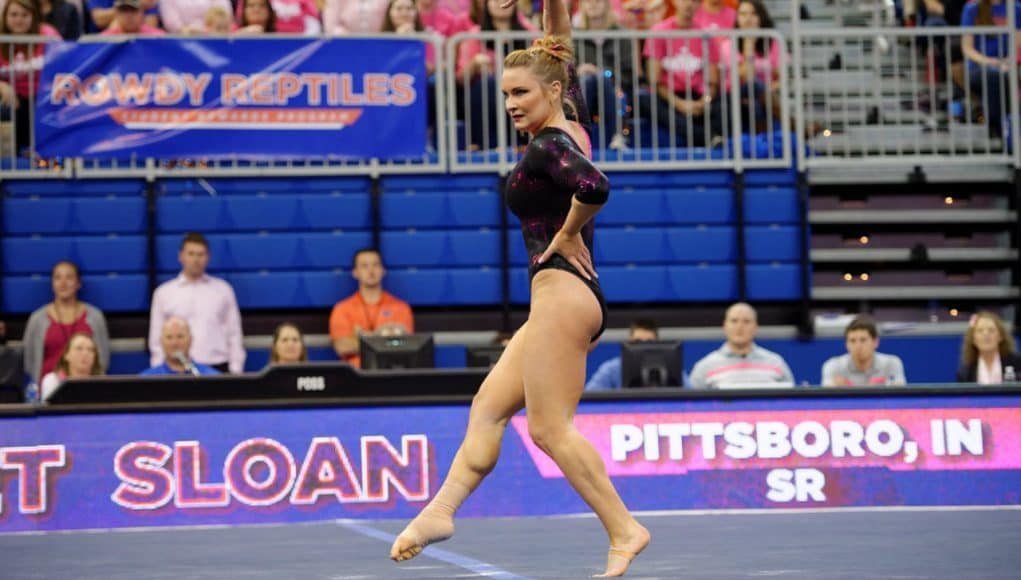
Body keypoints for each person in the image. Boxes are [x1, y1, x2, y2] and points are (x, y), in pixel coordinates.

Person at [389, 0, 650, 575]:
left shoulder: (548, 146)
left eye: (520, 94)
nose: (510, 104)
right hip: (559, 299)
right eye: (506, 94)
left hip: (562, 294)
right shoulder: (568, 122)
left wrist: (567, 232)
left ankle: (624, 528)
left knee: (549, 428)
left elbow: (596, 185)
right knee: (488, 407)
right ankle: (441, 510)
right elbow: (557, 38)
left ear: (550, 94)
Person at [149, 232, 246, 374]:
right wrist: (159, 372)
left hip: (217, 365)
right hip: (176, 369)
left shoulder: (223, 290)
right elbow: (156, 339)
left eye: (200, 254)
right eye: (191, 254)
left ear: (208, 257)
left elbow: (234, 334)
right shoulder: (163, 293)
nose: (196, 259)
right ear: (181, 256)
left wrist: (235, 370)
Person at [22, 261, 111, 388]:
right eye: (58, 277)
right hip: (47, 388)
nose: (63, 283)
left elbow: (103, 359)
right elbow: (29, 360)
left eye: (69, 277)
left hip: (87, 387)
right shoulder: (37, 319)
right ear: (52, 283)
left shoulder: (95, 317)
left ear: (78, 283)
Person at [329, 248, 414, 368]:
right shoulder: (342, 309)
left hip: (391, 372)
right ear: (355, 272)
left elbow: (405, 346)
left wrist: (362, 337)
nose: (371, 270)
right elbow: (342, 347)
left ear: (383, 270)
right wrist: (383, 337)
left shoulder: (401, 307)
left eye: (376, 265)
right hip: (356, 375)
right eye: (364, 266)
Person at [0, 0, 61, 153]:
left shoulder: (48, 35)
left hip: (44, 95)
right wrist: (1, 86)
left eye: (24, 15)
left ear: (33, 17)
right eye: (14, 15)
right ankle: (11, 161)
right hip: (13, 98)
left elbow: (65, 63)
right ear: (5, 17)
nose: (19, 19)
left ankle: (49, 162)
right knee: (11, 107)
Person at [689, 302, 794, 388]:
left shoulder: (776, 363)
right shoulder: (704, 367)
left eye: (746, 321)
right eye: (734, 321)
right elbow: (690, 407)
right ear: (725, 325)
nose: (740, 327)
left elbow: (793, 403)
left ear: (755, 327)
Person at [960, 0, 1021, 139]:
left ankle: (1004, 128)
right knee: (994, 76)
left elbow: (1018, 44)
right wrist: (990, 62)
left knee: (1003, 77)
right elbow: (967, 48)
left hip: (1009, 65)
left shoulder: (1016, 8)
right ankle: (997, 126)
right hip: (978, 67)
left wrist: (1007, 61)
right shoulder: (972, 9)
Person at [820, 316, 906, 387]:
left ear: (875, 342)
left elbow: (900, 396)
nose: (858, 346)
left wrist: (847, 389)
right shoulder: (833, 366)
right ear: (846, 344)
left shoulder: (892, 363)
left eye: (863, 340)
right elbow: (826, 399)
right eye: (852, 341)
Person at [585, 319, 660, 390]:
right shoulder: (612, 369)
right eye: (637, 341)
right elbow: (589, 398)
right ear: (629, 342)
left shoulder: (669, 369)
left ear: (657, 344)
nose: (643, 347)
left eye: (649, 342)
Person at [141, 317, 222, 376]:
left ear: (190, 339)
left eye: (180, 336)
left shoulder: (211, 376)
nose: (174, 343)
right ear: (161, 341)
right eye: (169, 337)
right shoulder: (147, 379)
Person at [956, 311, 1021, 384]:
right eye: (980, 331)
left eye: (991, 330)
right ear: (973, 339)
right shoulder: (965, 372)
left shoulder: (1017, 364)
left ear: (1001, 336)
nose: (986, 334)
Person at [39, 332, 104, 402]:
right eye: (79, 348)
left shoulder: (102, 383)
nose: (85, 353)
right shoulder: (53, 380)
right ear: (66, 355)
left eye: (90, 350)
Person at [99, 0, 167, 34]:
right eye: (124, 10)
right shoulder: (105, 40)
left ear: (142, 13)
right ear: (116, 14)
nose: (129, 16)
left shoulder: (158, 37)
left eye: (133, 10)